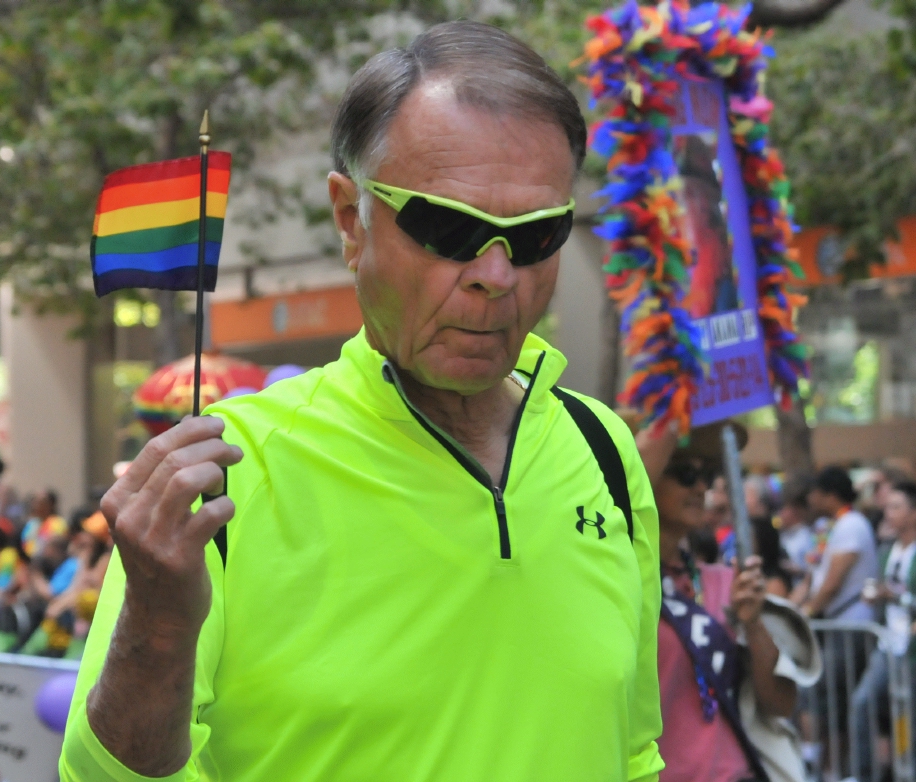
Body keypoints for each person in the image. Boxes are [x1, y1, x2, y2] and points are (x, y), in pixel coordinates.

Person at [61, 21, 663, 781]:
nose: (495, 275)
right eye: (449, 227)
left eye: (537, 235)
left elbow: (634, 751)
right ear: (352, 219)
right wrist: (155, 623)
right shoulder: (228, 474)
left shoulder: (606, 453)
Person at [638, 422, 798, 782]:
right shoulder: (620, 584)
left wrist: (754, 623)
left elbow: (779, 703)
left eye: (706, 476)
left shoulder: (729, 582)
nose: (699, 488)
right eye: (684, 473)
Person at [851, 480, 916, 780]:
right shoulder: (888, 550)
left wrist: (896, 596)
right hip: (888, 643)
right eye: (887, 507)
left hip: (911, 648)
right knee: (863, 702)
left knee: (908, 715)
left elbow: (901, 593)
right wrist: (877, 593)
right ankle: (868, 774)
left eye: (896, 507)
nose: (888, 513)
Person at [796, 466, 878, 621]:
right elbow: (812, 578)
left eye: (815, 493)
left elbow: (833, 583)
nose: (810, 499)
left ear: (831, 496)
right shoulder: (827, 525)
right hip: (835, 618)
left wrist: (806, 613)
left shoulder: (851, 524)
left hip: (851, 619)